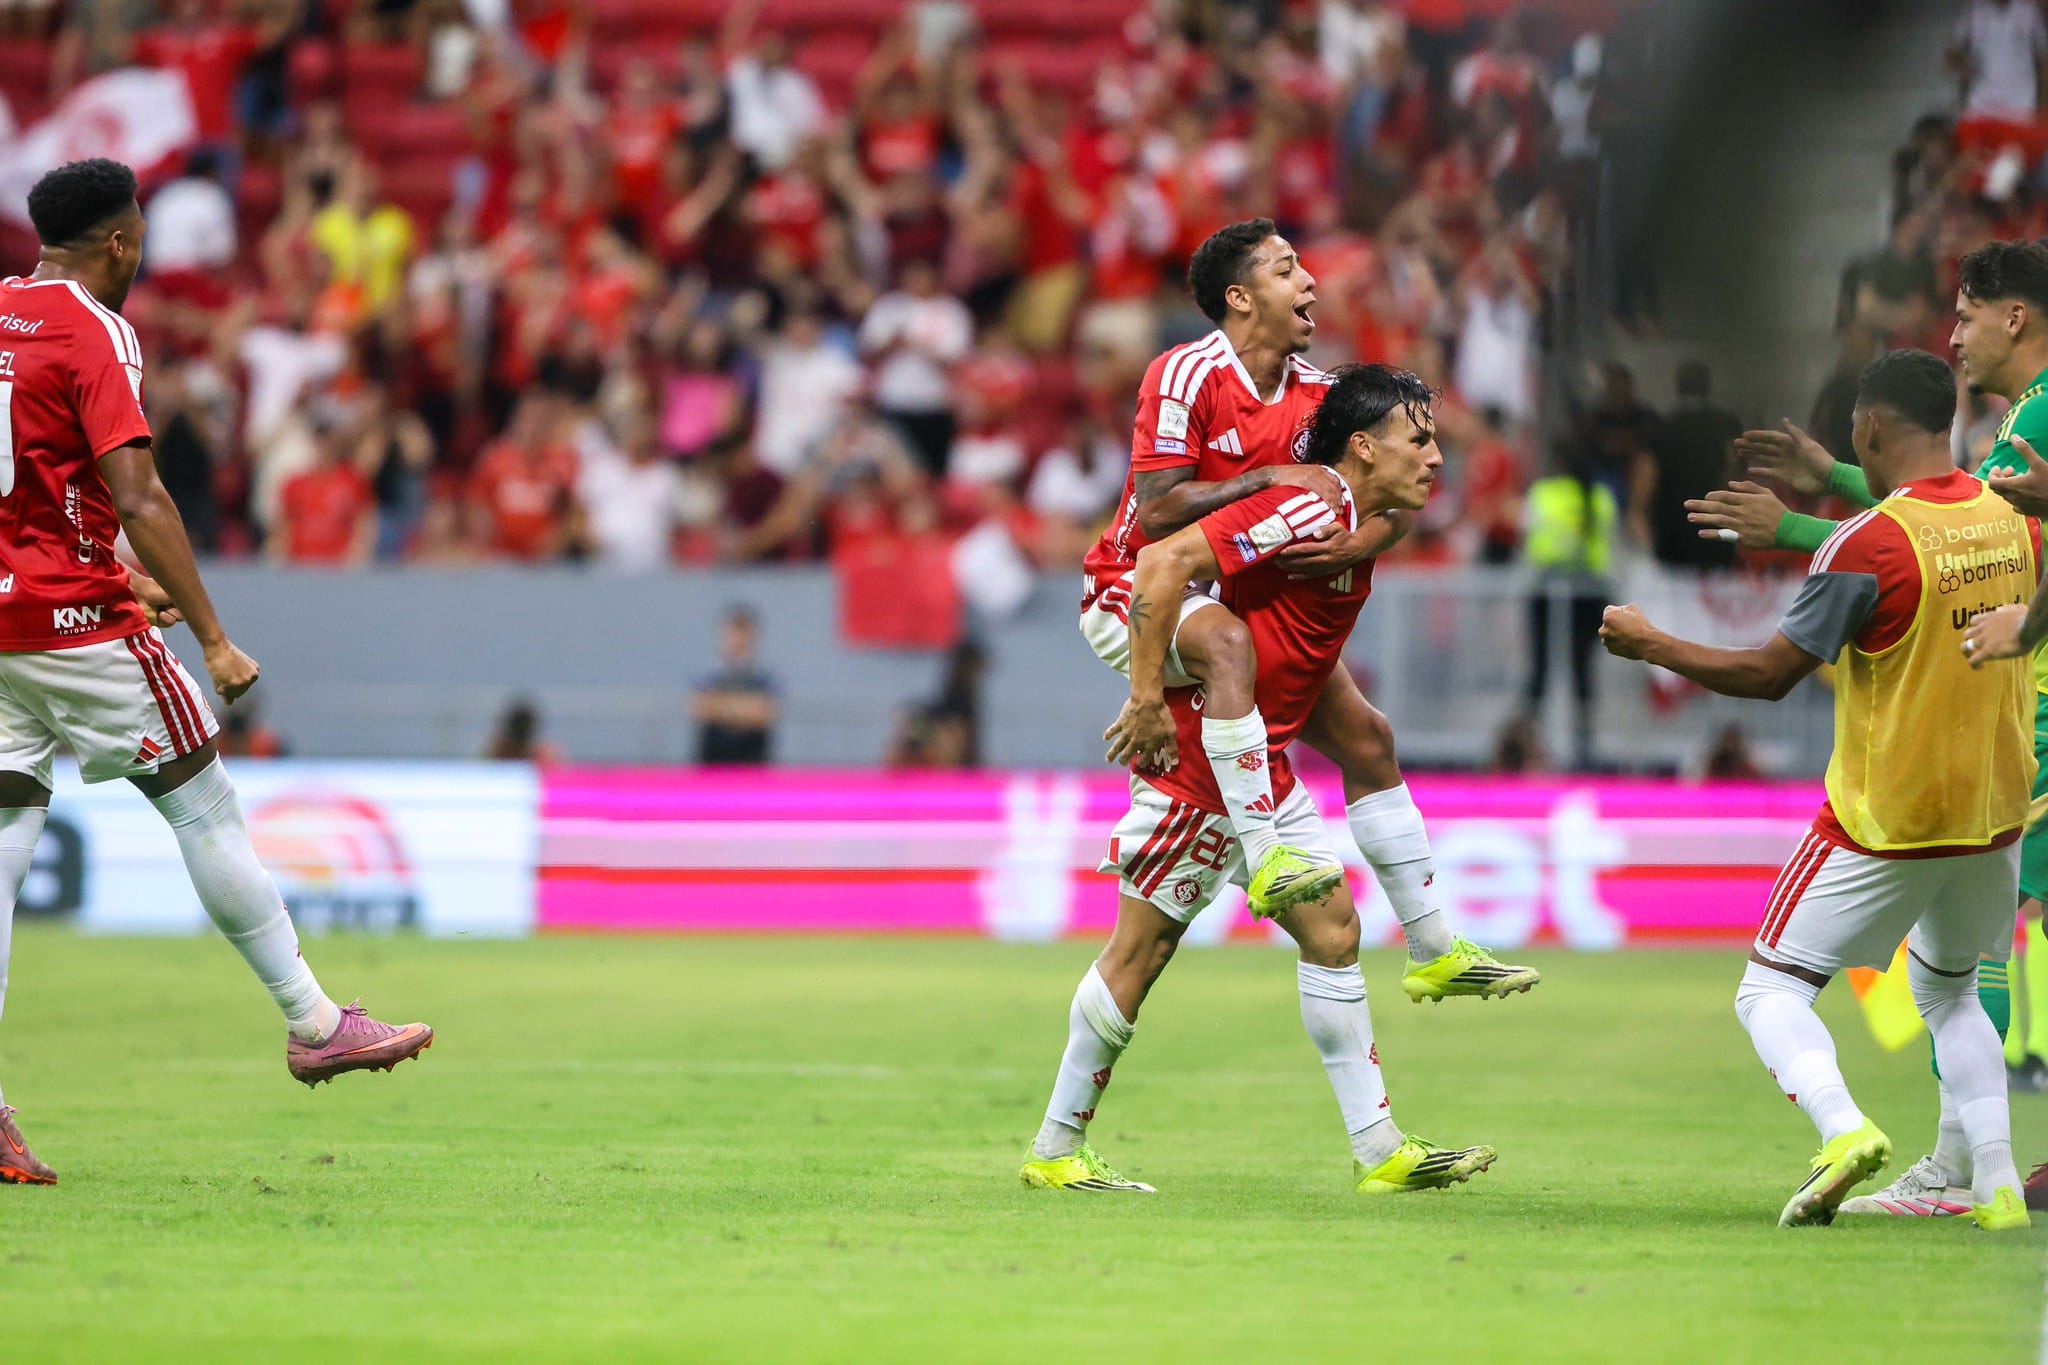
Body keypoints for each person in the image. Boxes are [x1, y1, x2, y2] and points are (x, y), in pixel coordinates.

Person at [0, 160, 432, 1185]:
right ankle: (314, 1022)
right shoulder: (98, 331)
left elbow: (31, 491)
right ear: (118, 242)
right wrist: (213, 635)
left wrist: (110, 569)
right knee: (203, 803)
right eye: (139, 240)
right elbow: (140, 493)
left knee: (2, 848)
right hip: (75, 627)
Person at [1022, 366, 1516, 1196]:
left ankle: (1380, 1148)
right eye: (1419, 439)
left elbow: (1392, 511)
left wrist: (1366, 537)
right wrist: (1145, 697)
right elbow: (1163, 561)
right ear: (1363, 448)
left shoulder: (1351, 508)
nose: (1436, 456)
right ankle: (1055, 1147)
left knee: (1334, 933)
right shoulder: (1305, 504)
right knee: (1139, 952)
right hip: (1203, 770)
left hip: (1259, 759)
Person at [1601, 348, 2035, 1230]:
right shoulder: (2013, 520)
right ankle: (1994, 1183)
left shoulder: (1866, 543)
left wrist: (1654, 643)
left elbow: (1769, 675)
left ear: (1869, 429)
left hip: (1888, 820)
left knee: (1768, 990)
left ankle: (1843, 1129)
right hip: (1994, 815)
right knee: (1953, 992)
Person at [1080, 220, 1528, 996]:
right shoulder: (1185, 374)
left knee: (1368, 735)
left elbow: (1392, 490)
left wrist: (1359, 542)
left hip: (1236, 597)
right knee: (1226, 646)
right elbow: (1155, 515)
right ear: (1240, 296)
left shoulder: (1320, 398)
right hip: (1137, 587)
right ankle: (1267, 853)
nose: (1311, 281)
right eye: (1288, 269)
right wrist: (1266, 480)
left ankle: (1433, 947)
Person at [1694, 241, 2048, 1214]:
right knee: (1965, 966)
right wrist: (1835, 477)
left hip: (2012, 718)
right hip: (2003, 739)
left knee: (1945, 967)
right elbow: (1946, 512)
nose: (1953, 335)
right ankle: (1973, 1169)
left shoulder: (2038, 414)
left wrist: (1793, 527)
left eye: (1965, 316)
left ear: (2013, 316)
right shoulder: (2020, 418)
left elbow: (1919, 543)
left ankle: (1943, 1163)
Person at [691, 606, 778, 765]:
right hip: (713, 763)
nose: (737, 640)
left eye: (743, 634)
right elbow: (699, 709)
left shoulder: (764, 677)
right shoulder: (708, 675)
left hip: (751, 763)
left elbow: (765, 713)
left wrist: (720, 707)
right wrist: (744, 709)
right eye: (732, 634)